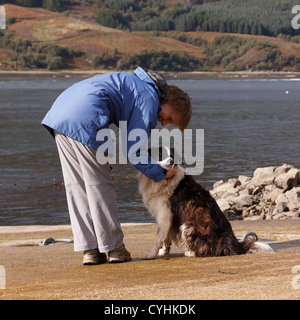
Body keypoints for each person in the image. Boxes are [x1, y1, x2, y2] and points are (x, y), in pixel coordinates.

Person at [42, 67, 192, 265]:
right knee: (99, 185)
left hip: (59, 116)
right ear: (168, 101)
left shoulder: (134, 84)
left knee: (76, 187)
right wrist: (160, 173)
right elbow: (133, 151)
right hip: (85, 118)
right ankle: (114, 248)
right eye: (170, 118)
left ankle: (90, 250)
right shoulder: (149, 98)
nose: (164, 123)